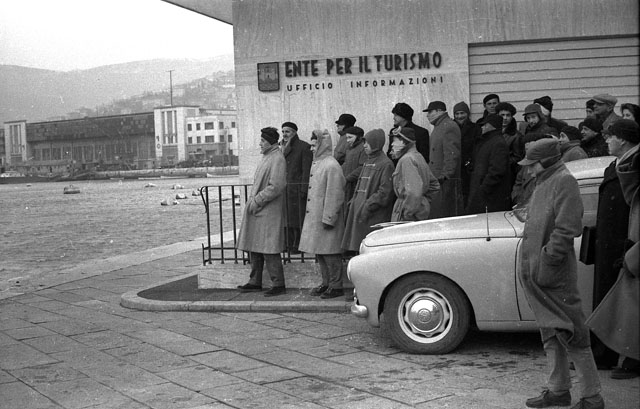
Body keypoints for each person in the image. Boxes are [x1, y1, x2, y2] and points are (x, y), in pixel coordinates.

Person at [518, 138, 604, 409]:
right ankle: (558, 390)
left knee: (572, 331)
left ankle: (592, 397)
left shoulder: (563, 181)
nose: (529, 169)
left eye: (533, 164)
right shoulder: (545, 179)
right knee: (551, 331)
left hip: (553, 273)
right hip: (541, 271)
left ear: (548, 161)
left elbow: (568, 228)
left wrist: (547, 259)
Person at [587, 119, 640, 380]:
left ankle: (633, 359)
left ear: (625, 139)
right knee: (611, 302)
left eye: (611, 136)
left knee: (631, 304)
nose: (607, 140)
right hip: (611, 243)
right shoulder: (617, 164)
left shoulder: (634, 164)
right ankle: (603, 354)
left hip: (629, 244)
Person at [236, 127, 288, 297]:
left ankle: (278, 284)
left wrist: (257, 200)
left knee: (269, 248)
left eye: (263, 141)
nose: (260, 143)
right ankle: (255, 281)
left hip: (267, 210)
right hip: (260, 209)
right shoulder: (268, 156)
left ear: (271, 142)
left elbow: (276, 186)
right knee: (256, 247)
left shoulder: (277, 158)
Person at [298, 129, 347, 299]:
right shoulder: (321, 163)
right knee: (321, 252)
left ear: (322, 145)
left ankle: (336, 285)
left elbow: (335, 194)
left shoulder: (331, 165)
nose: (311, 149)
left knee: (331, 254)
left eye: (314, 145)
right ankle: (326, 283)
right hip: (318, 218)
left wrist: (329, 218)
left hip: (326, 218)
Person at [341, 128, 395, 254]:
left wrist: (368, 205)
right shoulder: (368, 161)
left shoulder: (385, 164)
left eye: (368, 142)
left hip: (371, 214)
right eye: (364, 142)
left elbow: (385, 192)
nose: (364, 145)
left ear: (376, 143)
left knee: (370, 249)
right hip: (359, 211)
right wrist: (354, 201)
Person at [389, 126, 439, 221]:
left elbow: (414, 192)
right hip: (417, 212)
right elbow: (434, 185)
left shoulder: (407, 160)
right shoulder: (418, 156)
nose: (392, 144)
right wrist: (423, 203)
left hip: (407, 215)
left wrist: (408, 213)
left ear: (404, 142)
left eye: (395, 141)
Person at [465, 114, 511, 214]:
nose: (482, 127)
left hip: (489, 197)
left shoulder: (498, 143)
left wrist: (483, 189)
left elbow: (497, 171)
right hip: (483, 194)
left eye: (485, 125)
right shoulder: (487, 141)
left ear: (492, 126)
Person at [425, 100, 462, 218]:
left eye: (430, 112)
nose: (427, 115)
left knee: (443, 212)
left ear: (439, 111)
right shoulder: (440, 126)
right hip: (438, 179)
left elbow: (452, 155)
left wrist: (445, 176)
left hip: (444, 181)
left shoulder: (448, 126)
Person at [280, 121, 313, 253]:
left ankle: (297, 245)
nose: (284, 134)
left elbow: (306, 170)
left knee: (297, 219)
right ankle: (287, 244)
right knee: (286, 219)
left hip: (296, 189)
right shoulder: (280, 147)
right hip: (285, 189)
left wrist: (304, 189)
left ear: (294, 132)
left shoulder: (303, 147)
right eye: (283, 131)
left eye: (287, 131)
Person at [453, 101, 480, 207]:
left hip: (468, 169)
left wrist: (470, 162)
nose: (459, 116)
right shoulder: (451, 128)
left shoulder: (475, 128)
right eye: (457, 113)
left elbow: (477, 148)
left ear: (468, 114)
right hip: (455, 168)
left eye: (462, 113)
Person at [496, 101, 524, 189]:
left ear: (512, 117)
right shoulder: (492, 132)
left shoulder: (516, 136)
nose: (505, 118)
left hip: (508, 173)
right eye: (502, 115)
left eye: (508, 115)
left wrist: (502, 162)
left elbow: (517, 157)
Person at [341, 126, 366, 211]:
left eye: (350, 137)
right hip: (347, 183)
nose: (348, 140)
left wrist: (348, 178)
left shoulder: (363, 148)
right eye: (347, 138)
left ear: (359, 137)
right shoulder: (349, 148)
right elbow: (346, 163)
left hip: (356, 184)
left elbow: (362, 167)